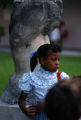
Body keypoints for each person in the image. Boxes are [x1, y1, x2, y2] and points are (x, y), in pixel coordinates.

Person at [18, 44, 69, 120]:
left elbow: (69, 99)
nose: (57, 63)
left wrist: (46, 105)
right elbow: (21, 100)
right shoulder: (31, 78)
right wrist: (25, 110)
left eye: (58, 59)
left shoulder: (61, 77)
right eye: (54, 59)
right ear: (42, 61)